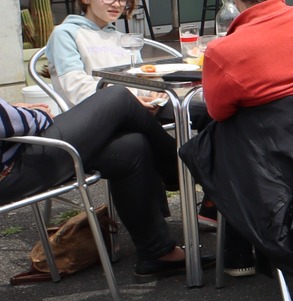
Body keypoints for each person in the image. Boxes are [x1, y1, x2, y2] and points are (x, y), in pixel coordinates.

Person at [0, 88, 199, 280]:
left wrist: (12, 112)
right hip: (12, 169)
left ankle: (158, 253)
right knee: (118, 98)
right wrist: (32, 113)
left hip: (14, 155)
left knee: (131, 148)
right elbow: (12, 122)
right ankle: (186, 172)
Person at [45, 0, 165, 112]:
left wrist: (153, 92)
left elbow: (141, 79)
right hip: (93, 116)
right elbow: (75, 87)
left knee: (196, 111)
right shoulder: (65, 34)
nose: (116, 4)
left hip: (134, 110)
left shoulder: (124, 39)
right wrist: (128, 102)